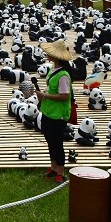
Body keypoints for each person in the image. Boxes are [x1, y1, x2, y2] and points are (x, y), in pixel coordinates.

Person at [34, 39, 76, 183]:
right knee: (50, 140)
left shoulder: (63, 75)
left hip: (58, 114)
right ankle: (53, 168)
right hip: (48, 111)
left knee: (57, 143)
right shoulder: (54, 70)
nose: (47, 54)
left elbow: (64, 96)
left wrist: (44, 95)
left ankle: (60, 172)